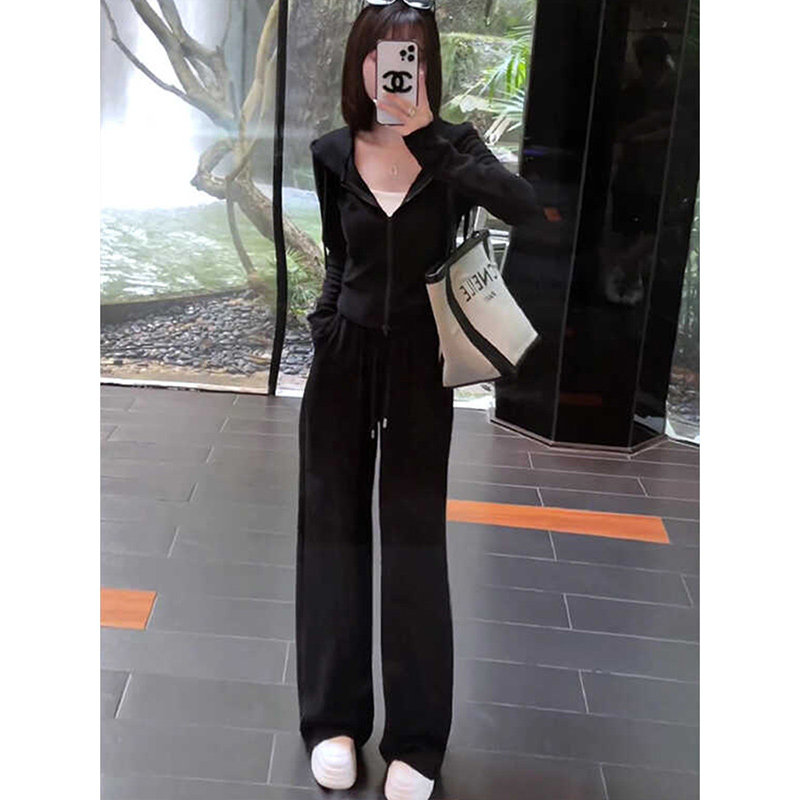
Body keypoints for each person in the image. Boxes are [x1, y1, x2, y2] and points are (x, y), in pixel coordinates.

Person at [295, 3, 540, 799]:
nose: (395, 68)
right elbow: (339, 256)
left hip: (421, 367)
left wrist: (429, 135)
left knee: (412, 541)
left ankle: (417, 740)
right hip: (343, 361)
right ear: (361, 61)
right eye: (382, 53)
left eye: (411, 54)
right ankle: (331, 721)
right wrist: (326, 327)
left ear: (428, 63)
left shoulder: (455, 149)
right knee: (331, 536)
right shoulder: (332, 153)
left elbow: (527, 208)